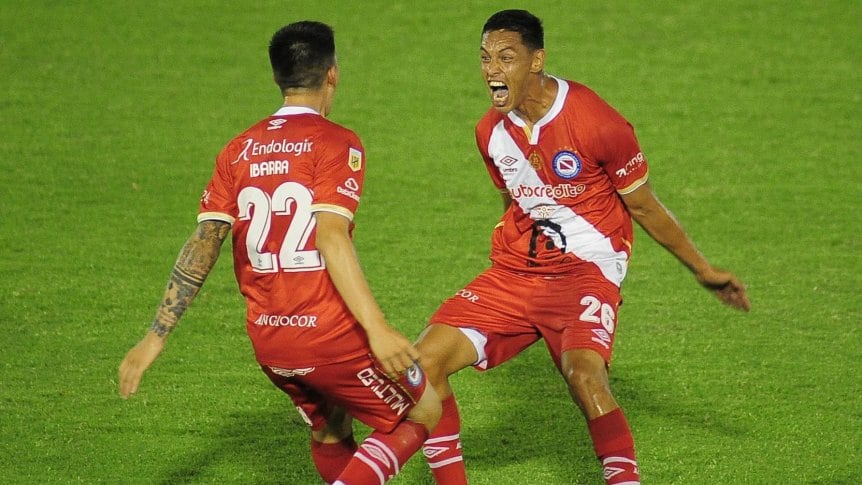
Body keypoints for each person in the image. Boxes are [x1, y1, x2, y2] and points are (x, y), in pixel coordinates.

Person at [417, 9, 751, 485]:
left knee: (585, 378)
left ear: (537, 61)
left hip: (586, 271)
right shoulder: (489, 132)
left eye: (505, 57)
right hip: (515, 274)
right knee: (423, 365)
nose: (492, 68)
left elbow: (646, 207)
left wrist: (703, 269)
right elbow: (512, 194)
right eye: (485, 57)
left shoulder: (595, 121)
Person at [118, 21, 440, 485]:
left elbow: (204, 242)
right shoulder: (336, 141)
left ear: (277, 78)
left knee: (331, 428)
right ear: (333, 73)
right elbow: (330, 236)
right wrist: (378, 328)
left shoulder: (239, 150)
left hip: (270, 342)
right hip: (329, 336)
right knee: (424, 410)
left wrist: (156, 335)